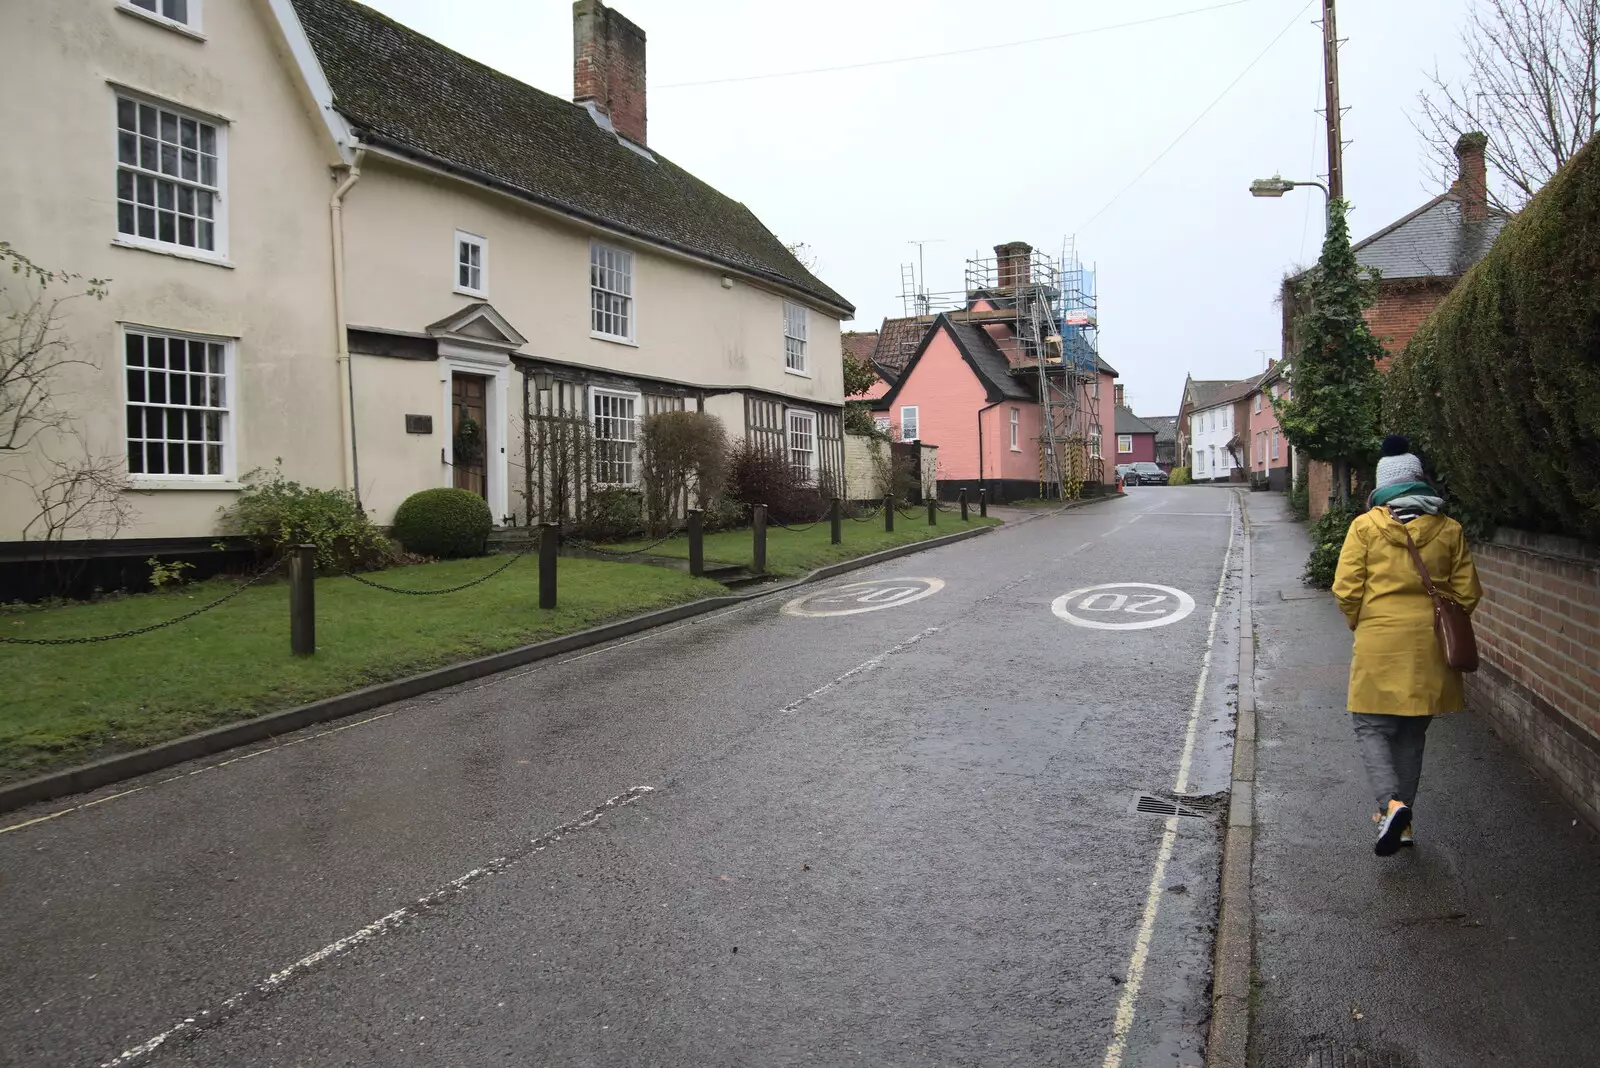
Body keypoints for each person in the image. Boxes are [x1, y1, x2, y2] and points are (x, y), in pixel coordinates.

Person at [1332, 435, 1482, 856]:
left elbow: (1346, 589)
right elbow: (1467, 593)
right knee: (1412, 736)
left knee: (1370, 726)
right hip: (1430, 647)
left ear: (1383, 485)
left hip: (1380, 640)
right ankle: (1404, 824)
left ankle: (1391, 806)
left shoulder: (1366, 527)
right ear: (1420, 482)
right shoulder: (1449, 530)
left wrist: (1360, 622)